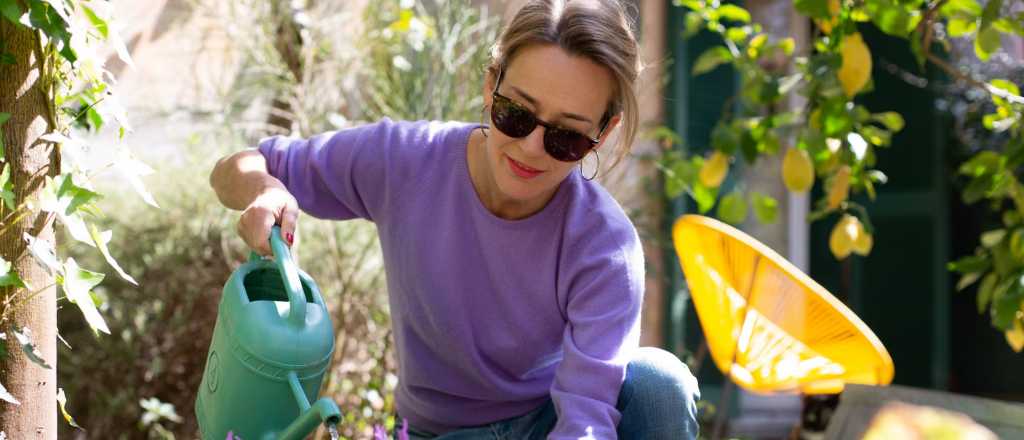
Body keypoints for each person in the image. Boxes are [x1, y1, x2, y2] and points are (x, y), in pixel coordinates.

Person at [209, 0, 699, 438]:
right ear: (491, 85)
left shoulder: (604, 245)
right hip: (443, 433)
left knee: (660, 383)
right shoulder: (406, 160)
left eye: (566, 137)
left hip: (549, 422)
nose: (530, 148)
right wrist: (266, 190)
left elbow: (587, 416)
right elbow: (239, 166)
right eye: (516, 114)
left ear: (603, 132)